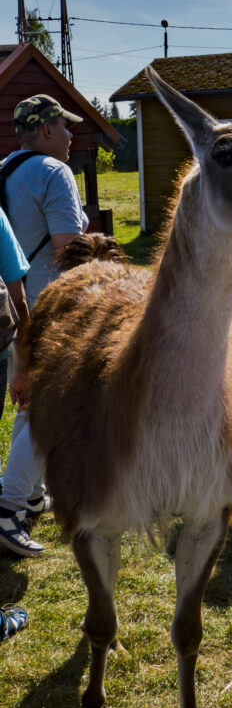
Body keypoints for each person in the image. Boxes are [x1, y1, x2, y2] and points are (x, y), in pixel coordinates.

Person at [0, 94, 89, 557]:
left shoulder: (4, 169)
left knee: (28, 398)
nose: (72, 134)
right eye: (66, 125)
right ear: (48, 128)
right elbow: (68, 250)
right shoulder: (54, 173)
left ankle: (30, 492)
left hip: (11, 306)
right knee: (46, 408)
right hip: (48, 306)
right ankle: (9, 506)